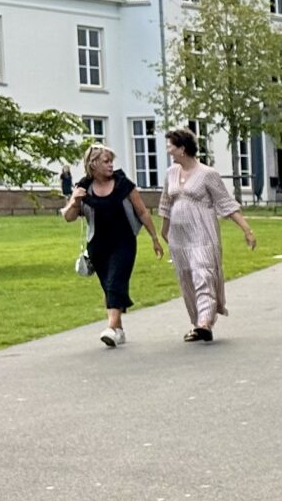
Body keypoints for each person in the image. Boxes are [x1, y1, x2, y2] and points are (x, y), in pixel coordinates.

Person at [59, 142, 164, 348]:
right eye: (106, 161)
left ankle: (110, 327)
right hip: (97, 245)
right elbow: (70, 217)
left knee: (116, 282)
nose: (110, 166)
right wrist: (74, 202)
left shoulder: (123, 184)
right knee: (109, 287)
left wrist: (154, 238)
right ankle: (119, 330)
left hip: (124, 242)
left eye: (111, 161)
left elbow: (142, 211)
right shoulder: (83, 186)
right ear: (93, 164)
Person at [162, 128, 256, 342]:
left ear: (183, 148)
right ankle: (197, 324)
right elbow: (165, 204)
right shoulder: (171, 173)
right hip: (179, 238)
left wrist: (247, 230)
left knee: (203, 273)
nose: (168, 150)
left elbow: (226, 204)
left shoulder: (207, 174)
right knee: (187, 279)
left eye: (171, 146)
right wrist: (163, 231)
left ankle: (205, 322)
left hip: (202, 234)